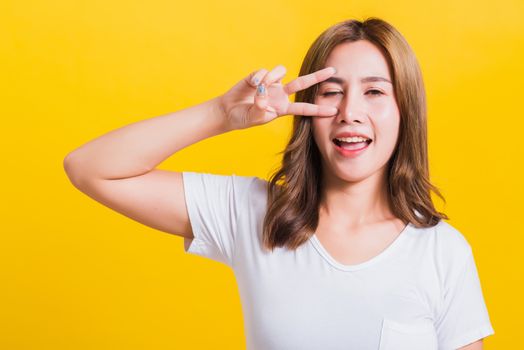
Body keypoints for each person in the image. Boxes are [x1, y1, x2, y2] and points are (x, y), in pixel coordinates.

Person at [63, 17, 494, 350]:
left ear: (406, 111)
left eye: (375, 92)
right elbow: (90, 168)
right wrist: (220, 115)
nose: (350, 112)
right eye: (331, 91)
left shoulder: (442, 252)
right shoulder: (253, 214)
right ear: (306, 106)